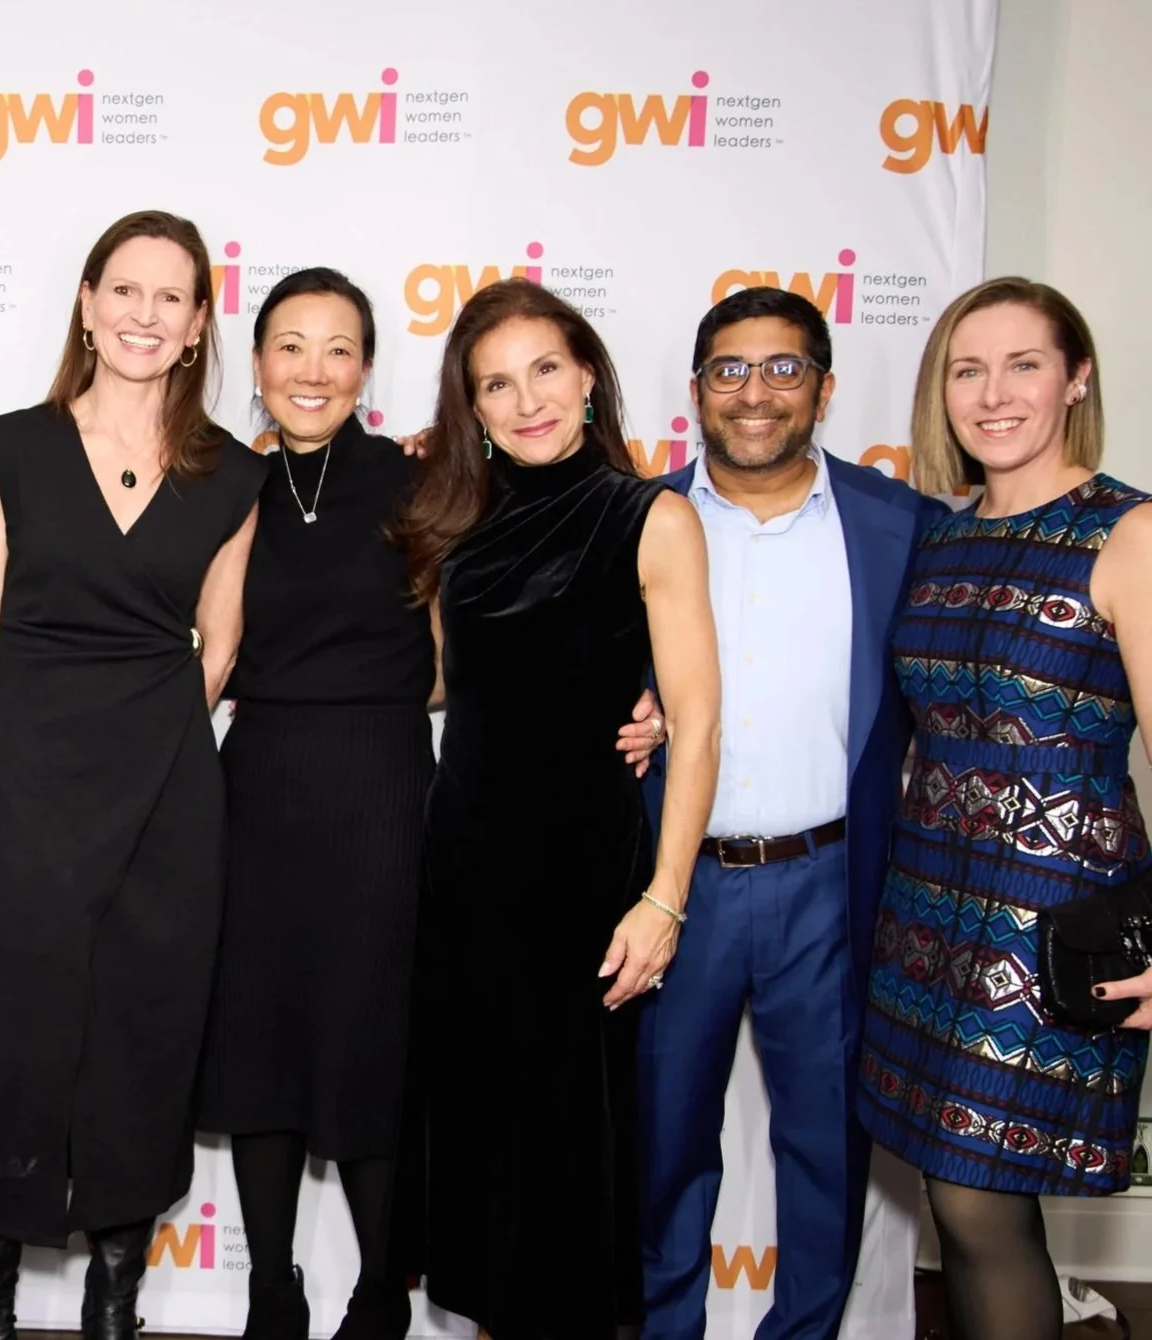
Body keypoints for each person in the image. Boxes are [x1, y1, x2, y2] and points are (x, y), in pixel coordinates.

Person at [0, 209, 267, 1340]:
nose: (143, 313)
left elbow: (216, 645)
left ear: (195, 326)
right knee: (20, 1029)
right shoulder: (9, 447)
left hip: (169, 788)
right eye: (123, 290)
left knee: (146, 1022)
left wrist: (159, 738)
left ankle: (115, 1284)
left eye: (169, 296)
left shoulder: (233, 475)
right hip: (29, 778)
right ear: (86, 304)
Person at [394, 278, 720, 1340]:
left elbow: (701, 718)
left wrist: (663, 900)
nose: (525, 398)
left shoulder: (651, 514)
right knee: (484, 1147)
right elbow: (448, 686)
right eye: (495, 382)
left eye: (543, 369)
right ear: (471, 407)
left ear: (585, 375)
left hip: (584, 879)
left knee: (565, 1151)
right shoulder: (459, 523)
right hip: (465, 872)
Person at [634, 287, 945, 1340]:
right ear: (694, 392)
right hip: (677, 887)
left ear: (821, 384)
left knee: (824, 1142)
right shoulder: (634, 520)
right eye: (728, 369)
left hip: (832, 882)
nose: (753, 392)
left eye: (780, 367)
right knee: (660, 1137)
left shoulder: (900, 526)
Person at [855, 278, 1152, 1340]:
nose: (991, 394)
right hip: (927, 904)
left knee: (977, 1195)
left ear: (1074, 379)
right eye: (966, 370)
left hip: (1050, 921)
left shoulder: (1127, 533)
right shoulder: (939, 535)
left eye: (1022, 363)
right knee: (955, 1192)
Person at [193, 268, 434, 1340]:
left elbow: (449, 664)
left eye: (338, 348)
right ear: (254, 364)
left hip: (383, 782)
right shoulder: (221, 486)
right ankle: (268, 1287)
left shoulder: (416, 483)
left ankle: (382, 1289)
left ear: (366, 368)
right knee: (263, 1039)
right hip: (258, 785)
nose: (312, 370)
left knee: (374, 1037)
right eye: (290, 345)